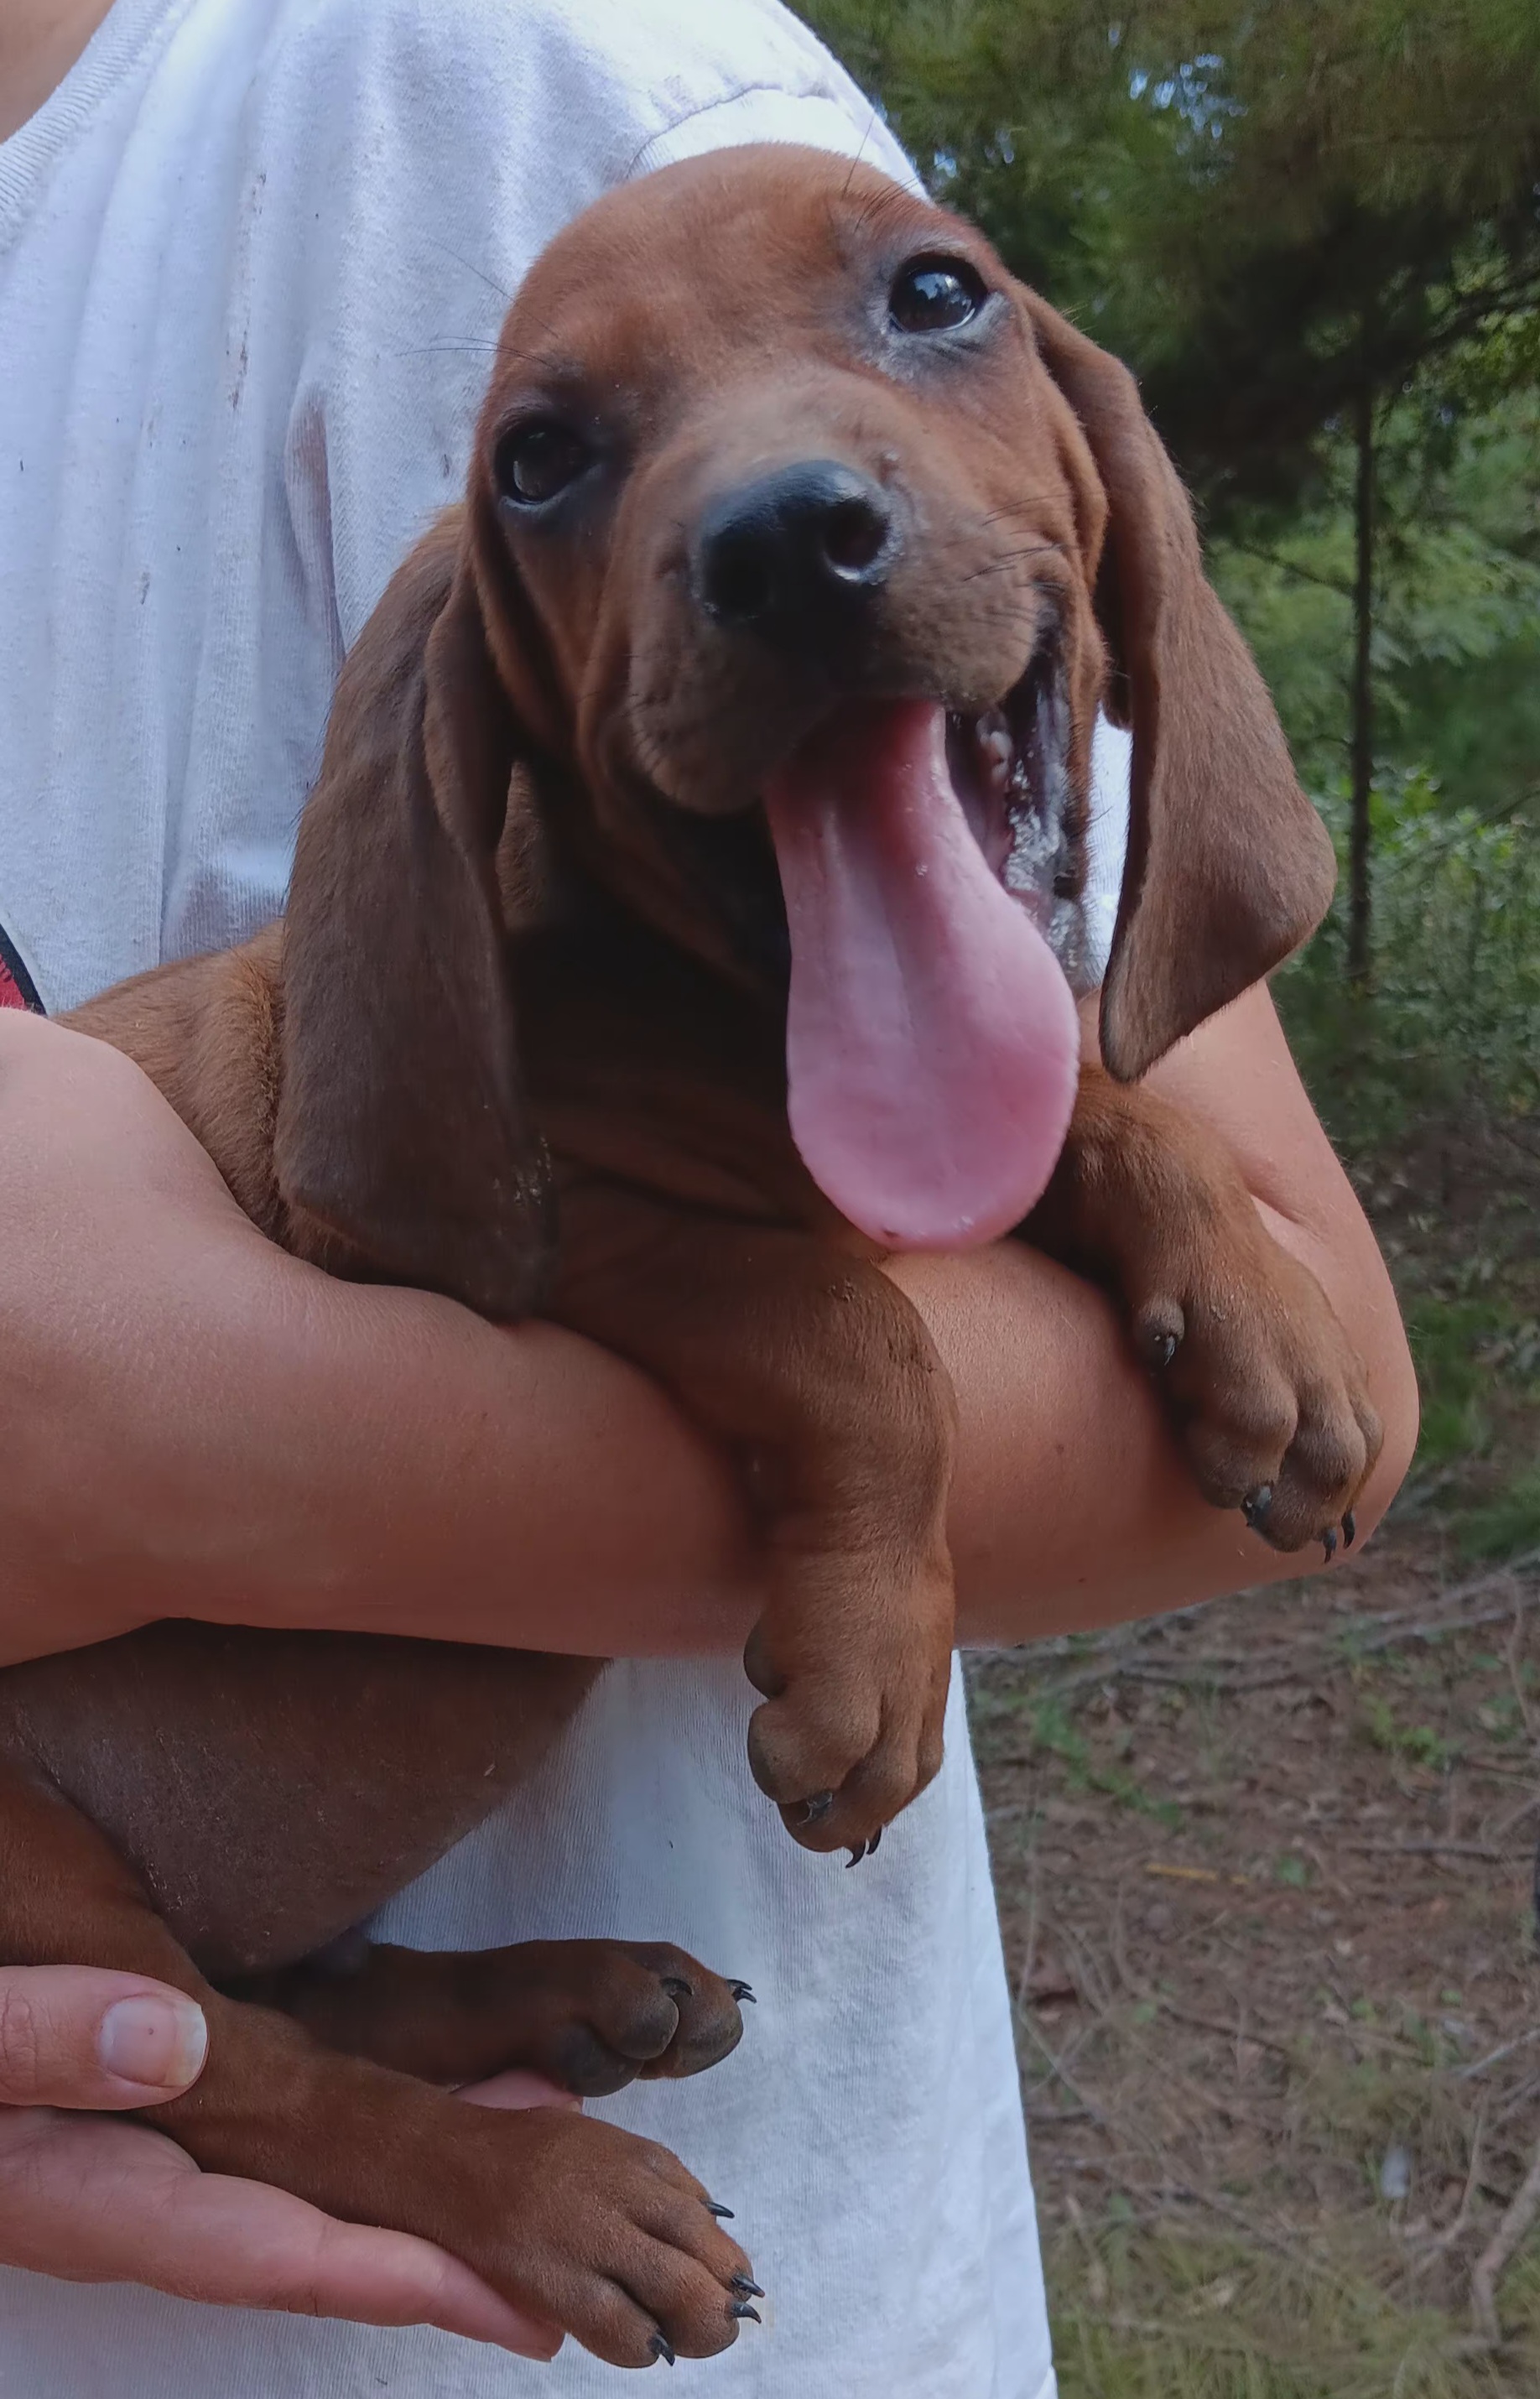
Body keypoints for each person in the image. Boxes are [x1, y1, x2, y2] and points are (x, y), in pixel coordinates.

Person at [0, 0, 1418, 2391]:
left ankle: (384, 2104)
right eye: (562, 465)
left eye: (931, 305)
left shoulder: (493, 73)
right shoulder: (468, 987)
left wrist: (938, 1332)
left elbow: (1321, 1391)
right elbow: (449, 1173)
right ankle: (361, 2059)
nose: (764, 486)